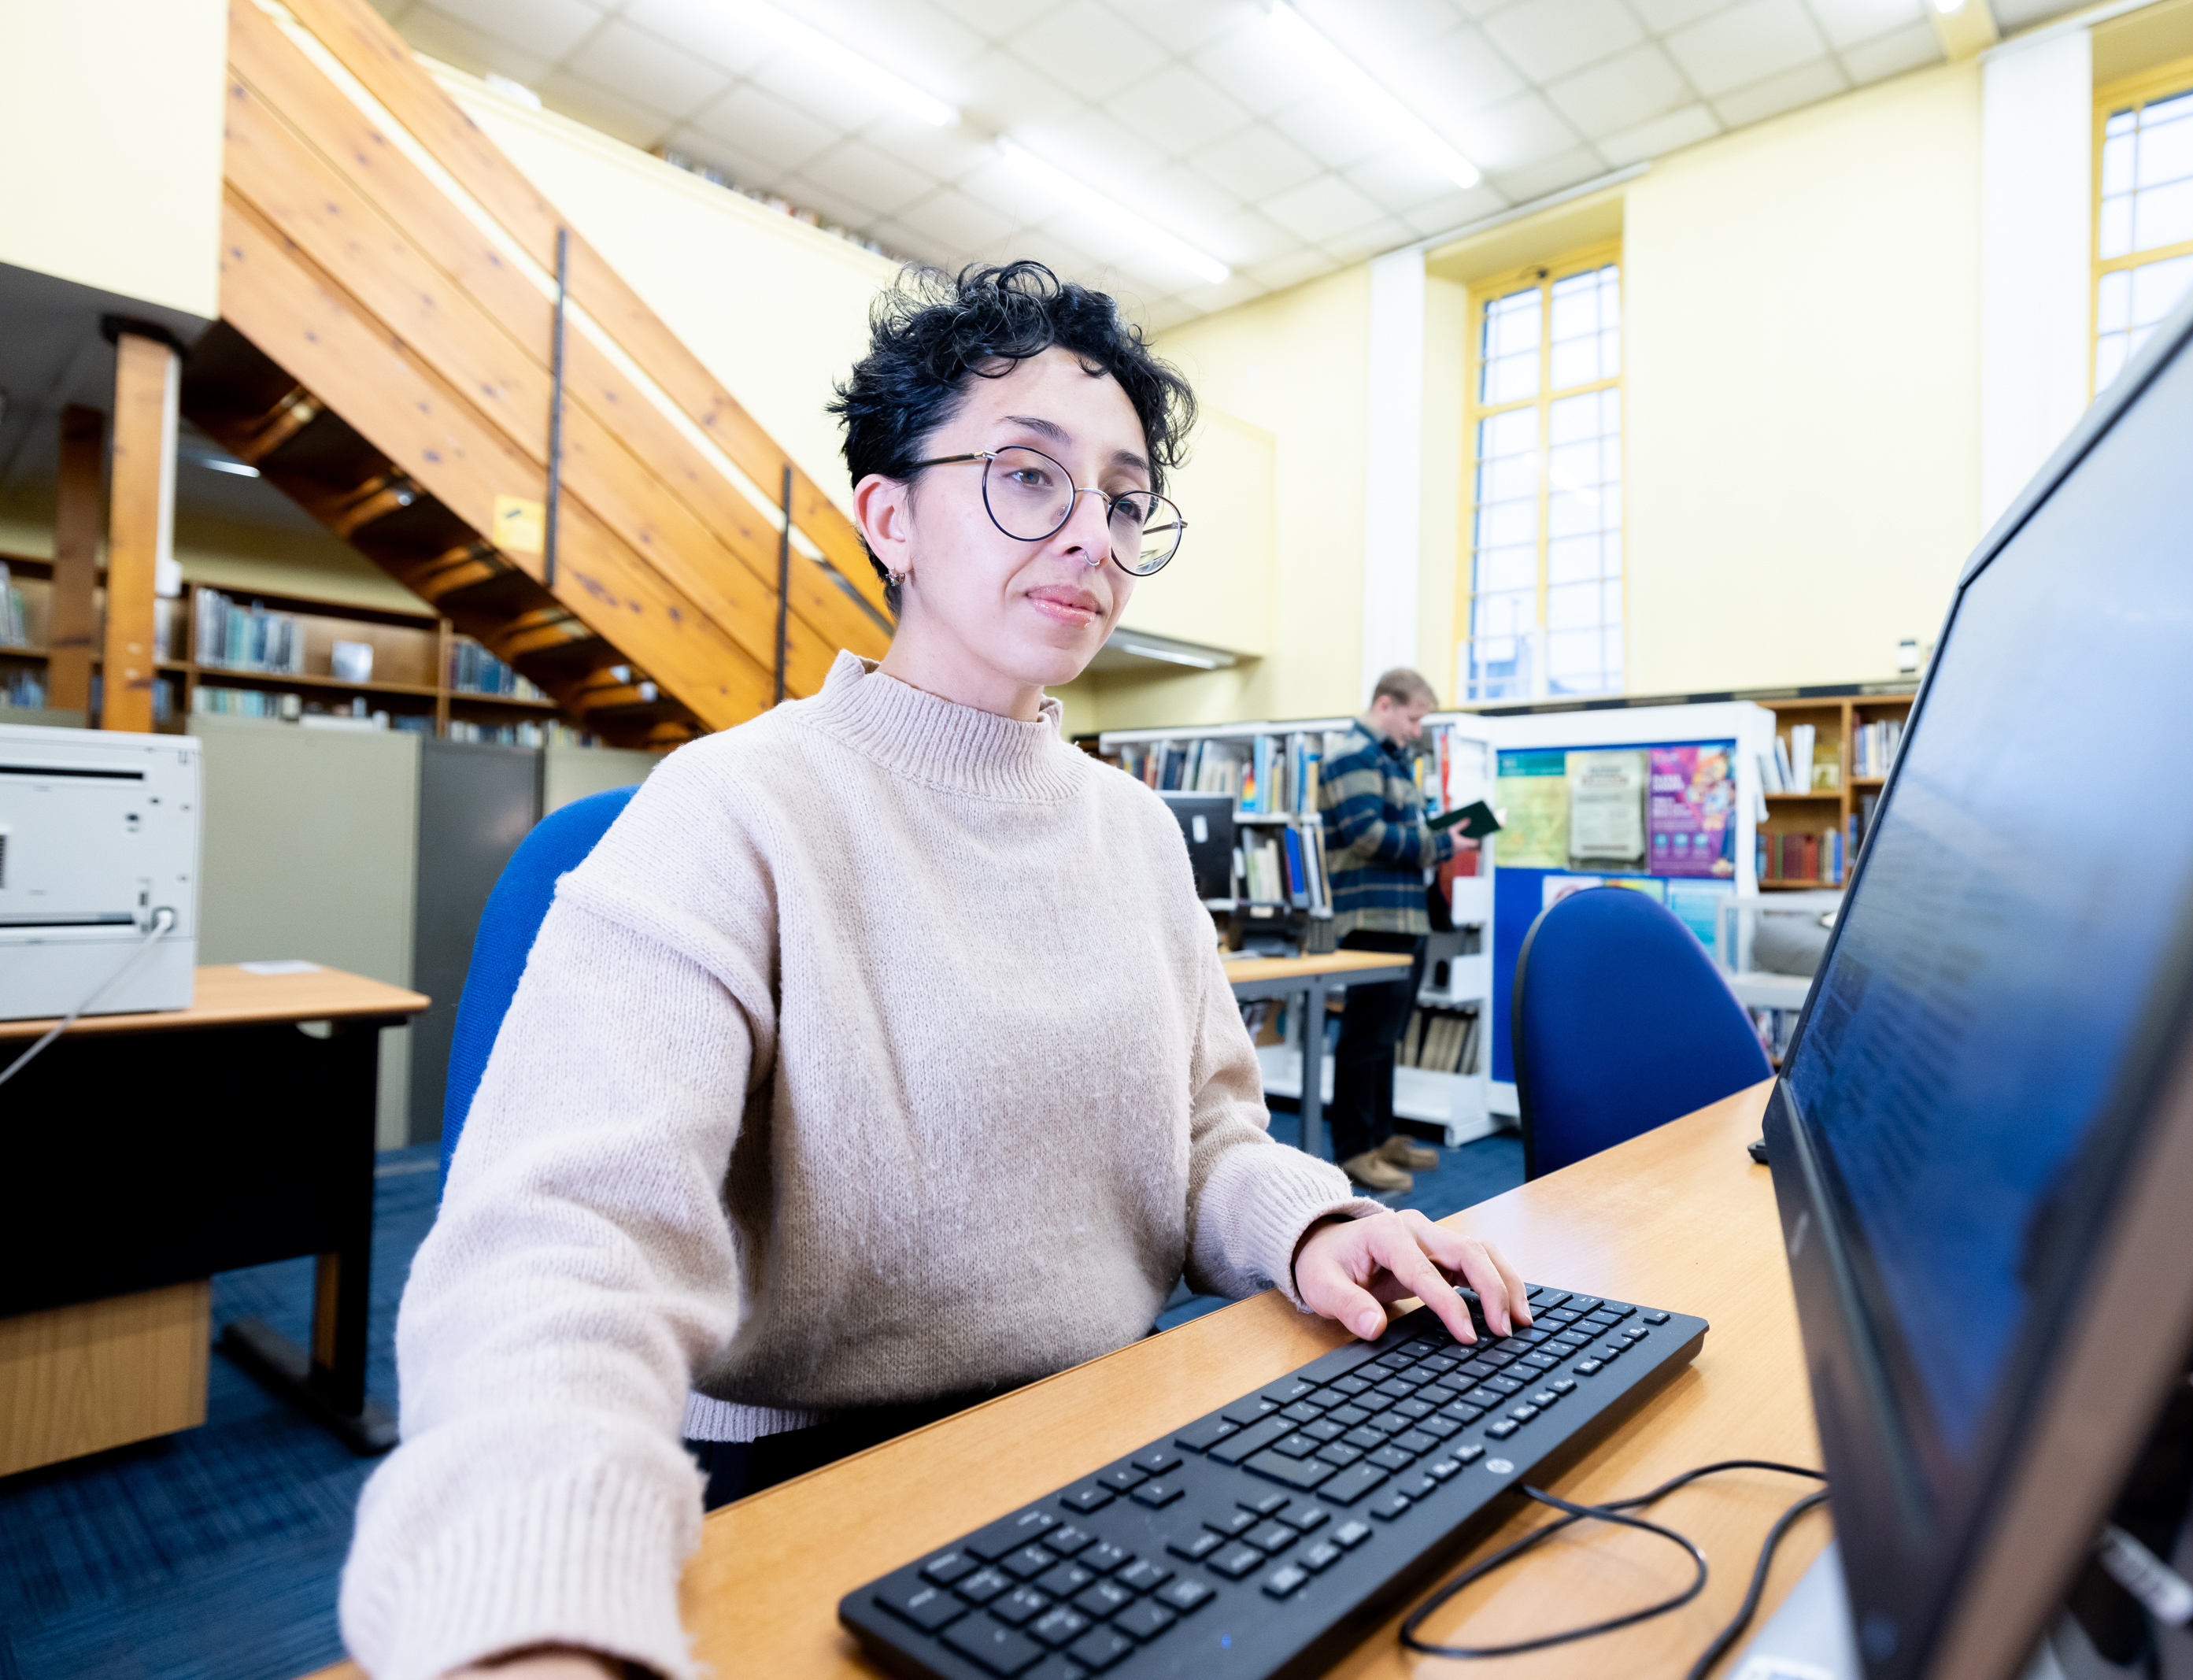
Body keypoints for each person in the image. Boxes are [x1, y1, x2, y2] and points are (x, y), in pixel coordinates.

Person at [341, 265, 1530, 1680]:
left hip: (1107, 1447)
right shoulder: (732, 809)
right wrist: (529, 1611)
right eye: (1029, 477)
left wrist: (1313, 1225)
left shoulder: (1137, 832)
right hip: (810, 1484)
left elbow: (1204, 1138)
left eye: (1125, 498)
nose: (1091, 532)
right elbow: (557, 1247)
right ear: (888, 516)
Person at [1319, 669, 1471, 1193]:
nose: (1415, 731)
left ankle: (1380, 1137)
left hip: (1405, 915)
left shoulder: (1386, 757)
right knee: (1366, 1037)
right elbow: (1367, 835)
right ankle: (1353, 1150)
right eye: (1413, 718)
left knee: (1386, 1036)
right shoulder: (1350, 755)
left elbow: (1400, 829)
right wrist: (1442, 842)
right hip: (1372, 917)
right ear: (1385, 705)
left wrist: (1434, 833)